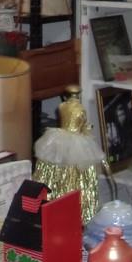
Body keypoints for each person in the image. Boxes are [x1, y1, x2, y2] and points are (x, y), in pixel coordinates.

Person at [33, 85, 106, 223]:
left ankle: (58, 204)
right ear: (78, 95)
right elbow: (83, 127)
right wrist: (87, 131)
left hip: (61, 140)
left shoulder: (62, 106)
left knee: (58, 172)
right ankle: (75, 211)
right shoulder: (81, 109)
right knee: (77, 178)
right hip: (76, 141)